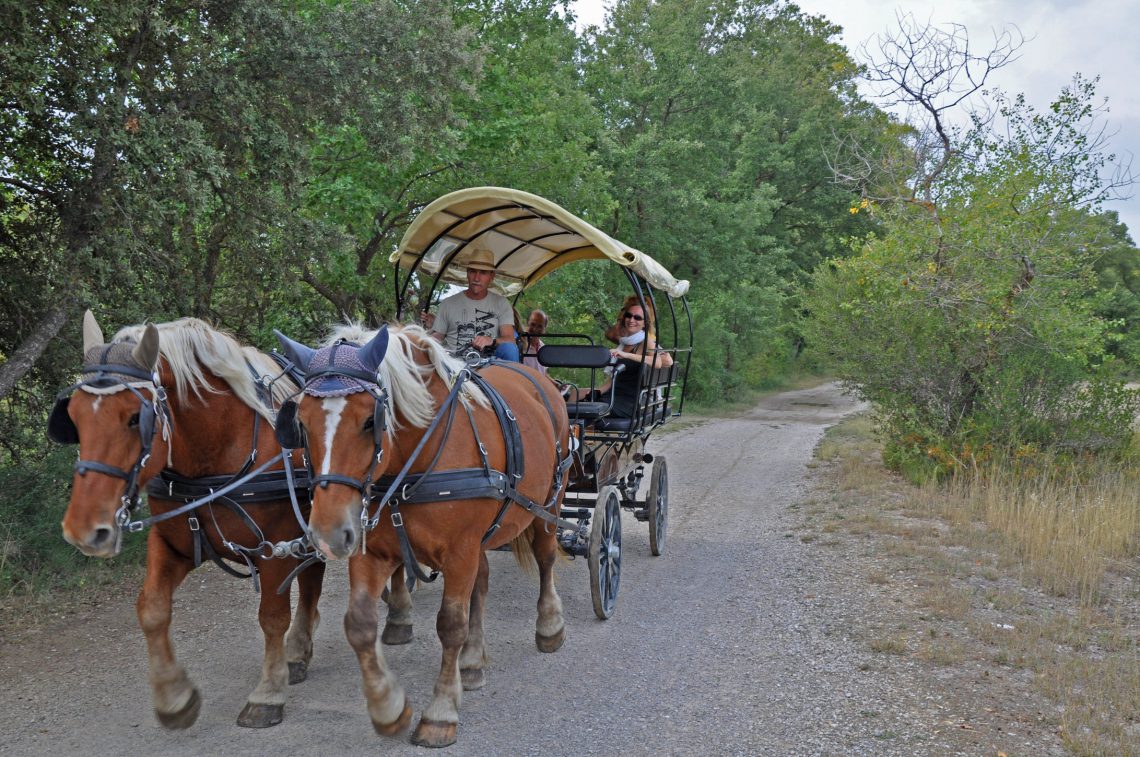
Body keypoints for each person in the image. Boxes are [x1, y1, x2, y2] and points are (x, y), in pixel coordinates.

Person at [578, 299, 672, 417]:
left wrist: (627, 355)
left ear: (645, 323)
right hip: (615, 395)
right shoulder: (624, 343)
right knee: (580, 401)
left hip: (632, 400)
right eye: (628, 316)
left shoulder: (646, 341)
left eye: (637, 318)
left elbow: (658, 362)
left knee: (587, 409)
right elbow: (612, 380)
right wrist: (597, 392)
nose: (631, 320)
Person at [429, 247, 520, 361]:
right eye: (472, 271)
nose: (476, 278)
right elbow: (438, 337)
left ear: (492, 276)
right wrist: (418, 341)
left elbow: (510, 339)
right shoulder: (447, 304)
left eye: (483, 273)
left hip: (490, 367)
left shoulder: (501, 303)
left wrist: (491, 341)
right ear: (467, 273)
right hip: (454, 367)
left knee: (510, 349)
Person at [521, 309, 549, 375]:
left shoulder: (543, 348)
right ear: (527, 324)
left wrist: (556, 384)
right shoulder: (519, 346)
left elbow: (543, 374)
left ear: (544, 329)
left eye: (540, 326)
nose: (535, 329)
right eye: (533, 324)